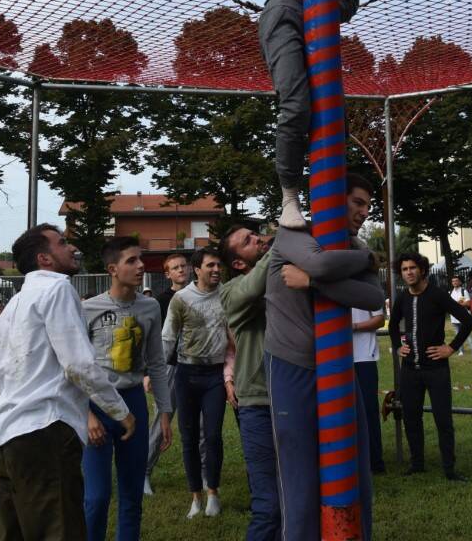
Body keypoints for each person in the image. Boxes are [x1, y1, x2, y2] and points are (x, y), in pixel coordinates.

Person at [259, 0, 404, 229]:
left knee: (329, 113)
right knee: (295, 103)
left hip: (321, 22)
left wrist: (327, 0)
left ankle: (328, 206)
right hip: (286, 8)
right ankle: (289, 198)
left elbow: (350, 4)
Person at [0, 224, 135, 541]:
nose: (72, 248)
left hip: (7, 438)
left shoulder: (10, 309)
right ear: (45, 258)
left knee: (15, 533)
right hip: (45, 432)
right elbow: (78, 363)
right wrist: (120, 411)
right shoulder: (57, 288)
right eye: (63, 243)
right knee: (60, 531)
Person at [264, 173, 385, 541]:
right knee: (299, 483)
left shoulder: (352, 245)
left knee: (355, 470)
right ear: (335, 199)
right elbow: (319, 264)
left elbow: (373, 299)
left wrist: (316, 281)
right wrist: (364, 259)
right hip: (291, 365)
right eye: (358, 203)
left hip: (336, 367)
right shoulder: (293, 235)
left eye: (368, 206)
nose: (364, 212)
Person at [81, 237, 172, 540]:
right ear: (112, 269)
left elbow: (157, 362)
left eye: (140, 259)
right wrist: (86, 414)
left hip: (134, 402)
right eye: (131, 260)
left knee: (131, 495)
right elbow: (75, 366)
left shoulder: (150, 307)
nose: (141, 265)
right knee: (96, 497)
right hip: (97, 406)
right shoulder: (88, 309)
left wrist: (165, 411)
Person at [389, 253, 472, 480]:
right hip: (410, 370)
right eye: (405, 269)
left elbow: (468, 321)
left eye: (413, 268)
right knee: (411, 418)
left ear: (423, 270)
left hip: (436, 369)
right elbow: (392, 326)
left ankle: (450, 469)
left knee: (443, 419)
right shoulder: (402, 298)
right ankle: (417, 464)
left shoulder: (437, 295)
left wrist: (451, 348)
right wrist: (398, 346)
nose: (409, 272)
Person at [162, 247, 234, 519]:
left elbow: (233, 333)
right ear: (197, 269)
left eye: (219, 265)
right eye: (211, 265)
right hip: (186, 374)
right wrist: (154, 371)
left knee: (213, 436)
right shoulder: (181, 298)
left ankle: (213, 492)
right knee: (189, 438)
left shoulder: (226, 293)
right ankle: (195, 497)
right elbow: (168, 336)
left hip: (214, 375)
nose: (217, 270)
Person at [218, 225, 280, 541]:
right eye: (248, 241)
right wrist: (285, 241)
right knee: (268, 506)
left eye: (256, 235)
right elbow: (254, 288)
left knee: (297, 499)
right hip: (258, 404)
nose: (257, 238)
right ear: (238, 263)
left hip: (294, 399)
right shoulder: (231, 291)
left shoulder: (282, 277)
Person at [144, 251, 192, 494]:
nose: (181, 270)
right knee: (160, 423)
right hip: (170, 367)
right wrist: (148, 372)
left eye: (184, 265)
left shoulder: (202, 295)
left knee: (202, 427)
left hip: (198, 366)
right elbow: (152, 340)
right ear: (167, 273)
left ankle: (205, 476)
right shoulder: (160, 301)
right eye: (175, 267)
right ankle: (144, 472)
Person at [351, 304, 387, 473]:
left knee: (368, 410)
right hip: (335, 356)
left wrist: (354, 326)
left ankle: (375, 462)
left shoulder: (369, 285)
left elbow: (380, 320)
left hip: (364, 357)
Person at [449, 275, 472, 357]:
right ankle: (460, 351)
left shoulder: (463, 291)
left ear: (459, 282)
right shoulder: (451, 292)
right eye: (453, 281)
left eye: (456, 281)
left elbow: (468, 303)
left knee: (468, 334)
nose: (454, 282)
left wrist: (459, 304)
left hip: (463, 317)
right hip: (454, 318)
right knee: (457, 335)